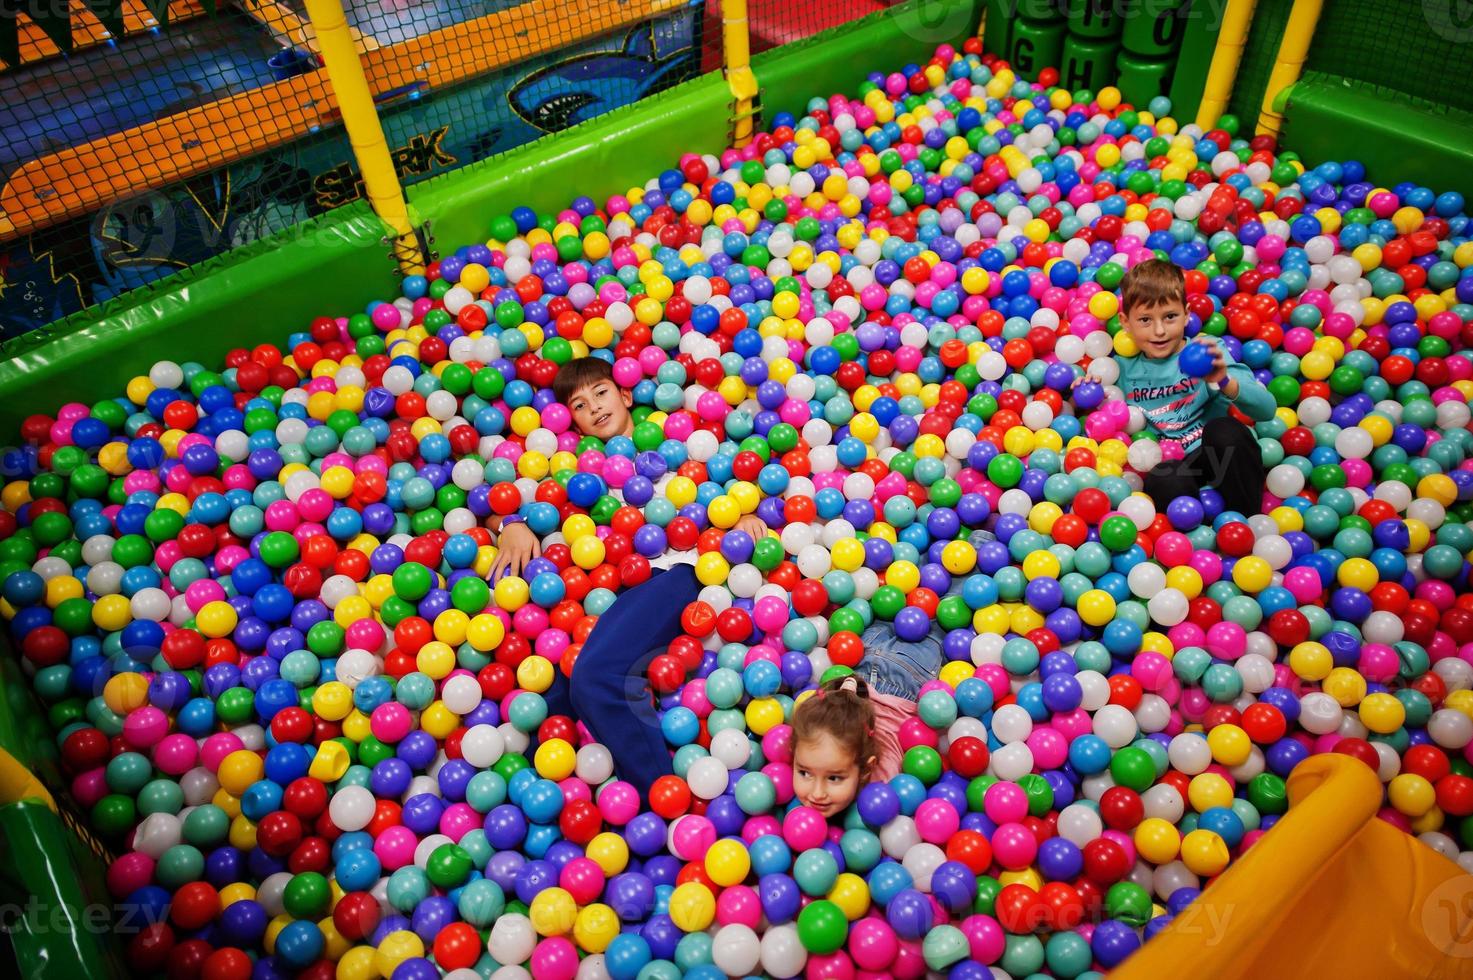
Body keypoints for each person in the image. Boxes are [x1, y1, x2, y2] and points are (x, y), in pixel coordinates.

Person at [493, 357, 768, 797]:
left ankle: (662, 797)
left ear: (624, 395)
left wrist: (742, 513)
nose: (595, 407)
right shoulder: (580, 470)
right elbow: (534, 504)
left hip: (680, 571)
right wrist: (515, 524)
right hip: (613, 591)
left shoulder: (674, 442)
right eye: (580, 406)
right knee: (551, 707)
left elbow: (728, 486)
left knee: (595, 677)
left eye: (601, 393)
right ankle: (535, 806)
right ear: (574, 425)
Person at [1081, 258, 1277, 515]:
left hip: (1217, 456)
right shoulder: (1119, 368)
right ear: (1125, 322)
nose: (1159, 330)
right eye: (1145, 320)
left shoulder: (1208, 351)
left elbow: (1267, 410)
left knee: (1225, 431)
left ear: (1187, 314)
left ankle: (1243, 523)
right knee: (1165, 475)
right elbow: (1093, 419)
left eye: (1170, 316)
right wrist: (1082, 392)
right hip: (1170, 464)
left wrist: (1223, 380)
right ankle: (1195, 537)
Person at [789, 615, 946, 817]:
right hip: (863, 653)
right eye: (804, 773)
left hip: (908, 672)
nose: (817, 793)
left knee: (936, 622)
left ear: (866, 769)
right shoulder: (807, 744)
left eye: (834, 778)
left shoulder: (882, 781)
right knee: (890, 619)